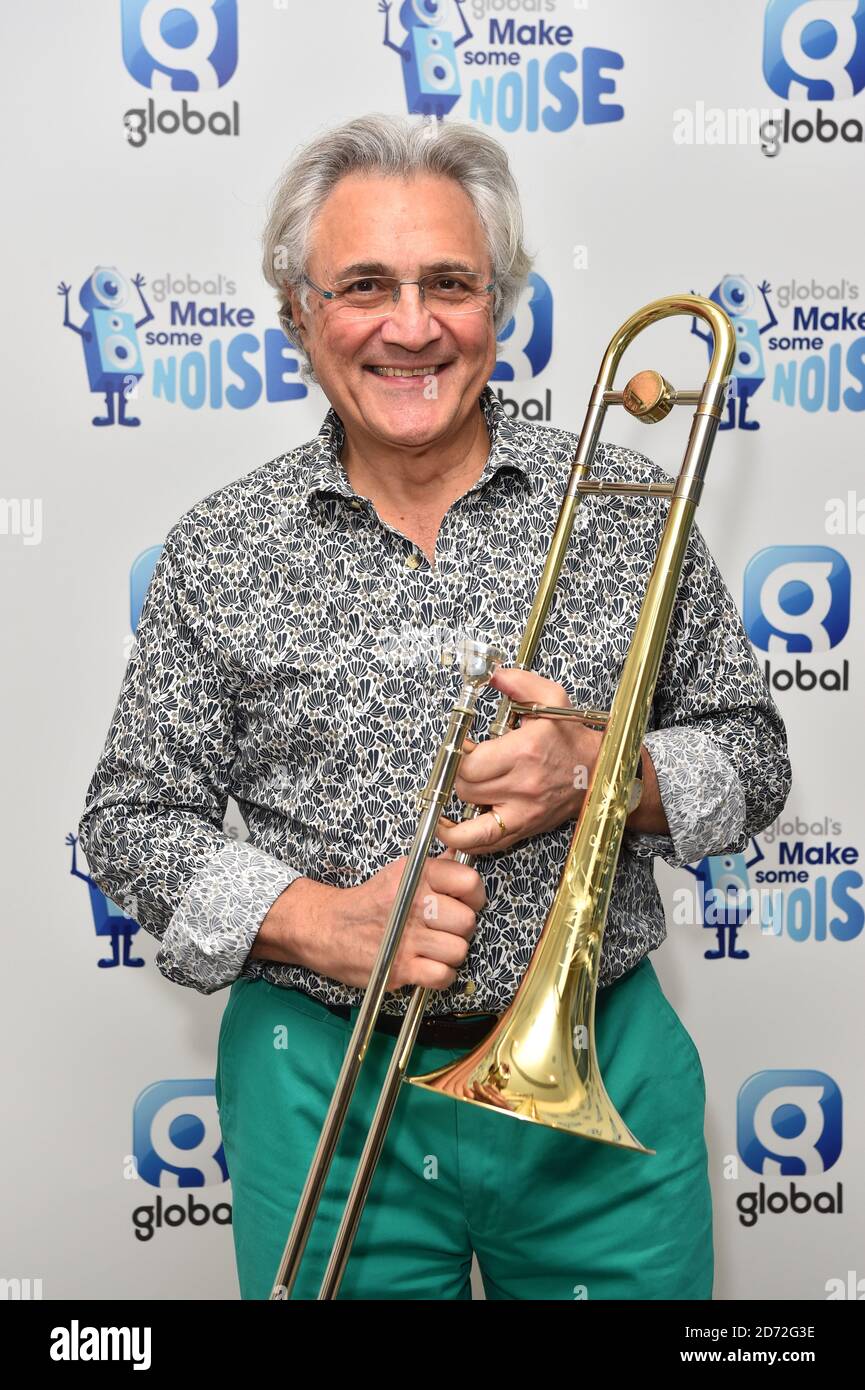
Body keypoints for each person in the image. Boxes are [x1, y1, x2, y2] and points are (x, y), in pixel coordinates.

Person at [78, 113, 791, 1301]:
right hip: (323, 1081)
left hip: (598, 1065)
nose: (411, 327)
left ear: (499, 307)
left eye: (449, 284)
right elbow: (129, 818)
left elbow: (752, 758)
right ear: (299, 312)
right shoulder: (221, 546)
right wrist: (315, 919)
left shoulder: (623, 500)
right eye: (365, 285)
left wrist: (600, 770)